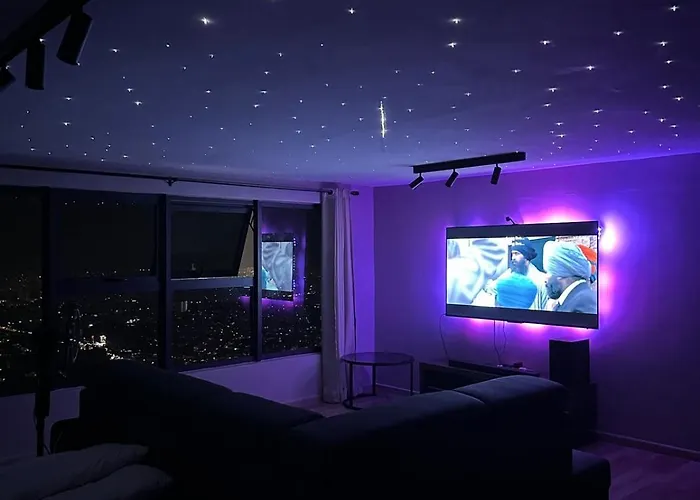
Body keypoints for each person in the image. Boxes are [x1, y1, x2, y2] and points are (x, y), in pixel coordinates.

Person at [542, 241, 597, 314]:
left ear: (560, 272)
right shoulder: (576, 298)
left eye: (548, 272)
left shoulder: (585, 302)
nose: (545, 279)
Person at [509, 238, 550, 310]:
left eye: (517, 254)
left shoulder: (541, 280)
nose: (513, 258)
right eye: (512, 254)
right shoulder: (510, 277)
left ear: (526, 256)